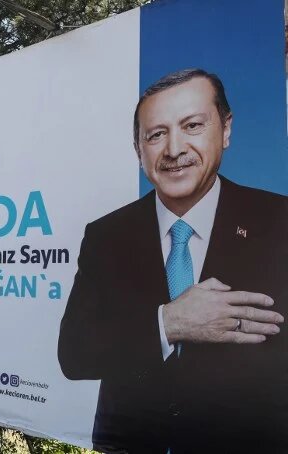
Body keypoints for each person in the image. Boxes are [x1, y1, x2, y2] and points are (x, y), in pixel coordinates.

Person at [57, 69, 288, 452]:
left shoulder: (280, 222)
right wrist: (169, 323)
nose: (174, 149)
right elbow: (74, 353)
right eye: (156, 135)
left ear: (226, 130)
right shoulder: (106, 235)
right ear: (139, 151)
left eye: (192, 125)